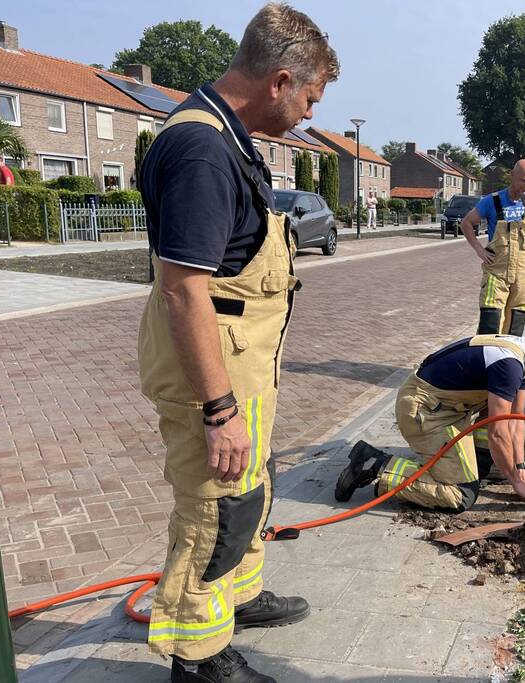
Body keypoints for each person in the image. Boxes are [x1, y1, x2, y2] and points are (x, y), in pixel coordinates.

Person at [136, 5, 339, 682]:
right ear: (280, 80)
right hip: (216, 372)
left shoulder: (230, 136)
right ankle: (197, 655)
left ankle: (238, 599)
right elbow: (184, 289)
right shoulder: (201, 147)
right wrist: (218, 408)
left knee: (249, 489)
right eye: (310, 99)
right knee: (213, 507)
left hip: (244, 362)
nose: (308, 115)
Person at [334, 326, 525, 511]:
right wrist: (516, 481)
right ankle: (375, 466)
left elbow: (515, 419)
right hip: (423, 412)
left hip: (446, 410)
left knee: (494, 427)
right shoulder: (509, 365)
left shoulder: (522, 354)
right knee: (461, 495)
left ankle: (478, 461)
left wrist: (521, 470)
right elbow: (498, 431)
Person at [460, 159, 525, 337]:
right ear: (512, 176)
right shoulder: (492, 201)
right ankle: (485, 361)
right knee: (491, 322)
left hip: (523, 272)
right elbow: (466, 223)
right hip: (497, 271)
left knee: (515, 323)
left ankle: (509, 360)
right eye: (523, 180)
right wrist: (479, 250)